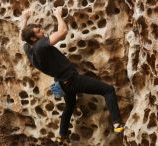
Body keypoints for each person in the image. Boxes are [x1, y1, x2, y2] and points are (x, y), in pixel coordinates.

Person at [21, 7, 124, 143]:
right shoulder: (40, 46)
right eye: (39, 32)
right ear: (34, 38)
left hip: (62, 84)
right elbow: (62, 32)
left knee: (70, 106)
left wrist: (24, 20)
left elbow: (22, 40)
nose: (43, 31)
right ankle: (117, 123)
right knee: (108, 90)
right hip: (72, 80)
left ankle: (62, 134)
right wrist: (58, 15)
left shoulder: (30, 51)